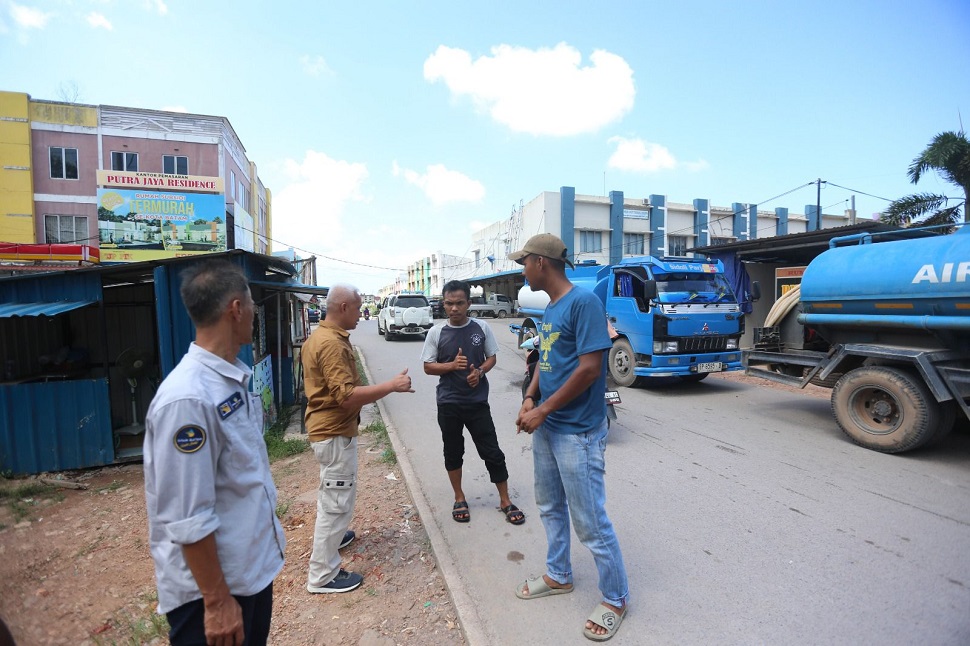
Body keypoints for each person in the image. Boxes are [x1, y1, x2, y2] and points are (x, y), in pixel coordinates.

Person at [144, 259, 286, 646]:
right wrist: (217, 600)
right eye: (253, 304)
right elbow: (188, 515)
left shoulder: (230, 378)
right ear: (236, 309)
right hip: (212, 593)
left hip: (248, 573)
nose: (255, 313)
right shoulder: (188, 398)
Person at [509, 234, 630, 642]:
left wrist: (543, 409)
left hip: (577, 432)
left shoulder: (584, 303)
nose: (521, 269)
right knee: (550, 507)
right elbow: (546, 357)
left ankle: (615, 598)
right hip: (549, 428)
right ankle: (559, 575)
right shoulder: (552, 308)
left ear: (541, 262)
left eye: (524, 262)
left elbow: (589, 370)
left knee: (591, 522)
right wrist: (530, 396)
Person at [302, 284, 414, 594]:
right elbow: (346, 397)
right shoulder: (332, 344)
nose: (360, 312)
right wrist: (391, 385)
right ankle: (322, 575)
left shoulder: (323, 337)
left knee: (336, 496)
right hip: (333, 433)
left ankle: (336, 539)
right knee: (335, 504)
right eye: (357, 307)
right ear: (342, 308)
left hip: (329, 430)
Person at [421, 280, 525, 525]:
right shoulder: (436, 333)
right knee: (453, 452)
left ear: (469, 303)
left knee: (492, 452)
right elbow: (427, 367)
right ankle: (459, 497)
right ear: (443, 304)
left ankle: (505, 500)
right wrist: (450, 366)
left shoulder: (481, 327)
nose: (454, 308)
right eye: (449, 303)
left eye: (459, 303)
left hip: (477, 403)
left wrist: (479, 372)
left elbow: (491, 358)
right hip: (448, 404)